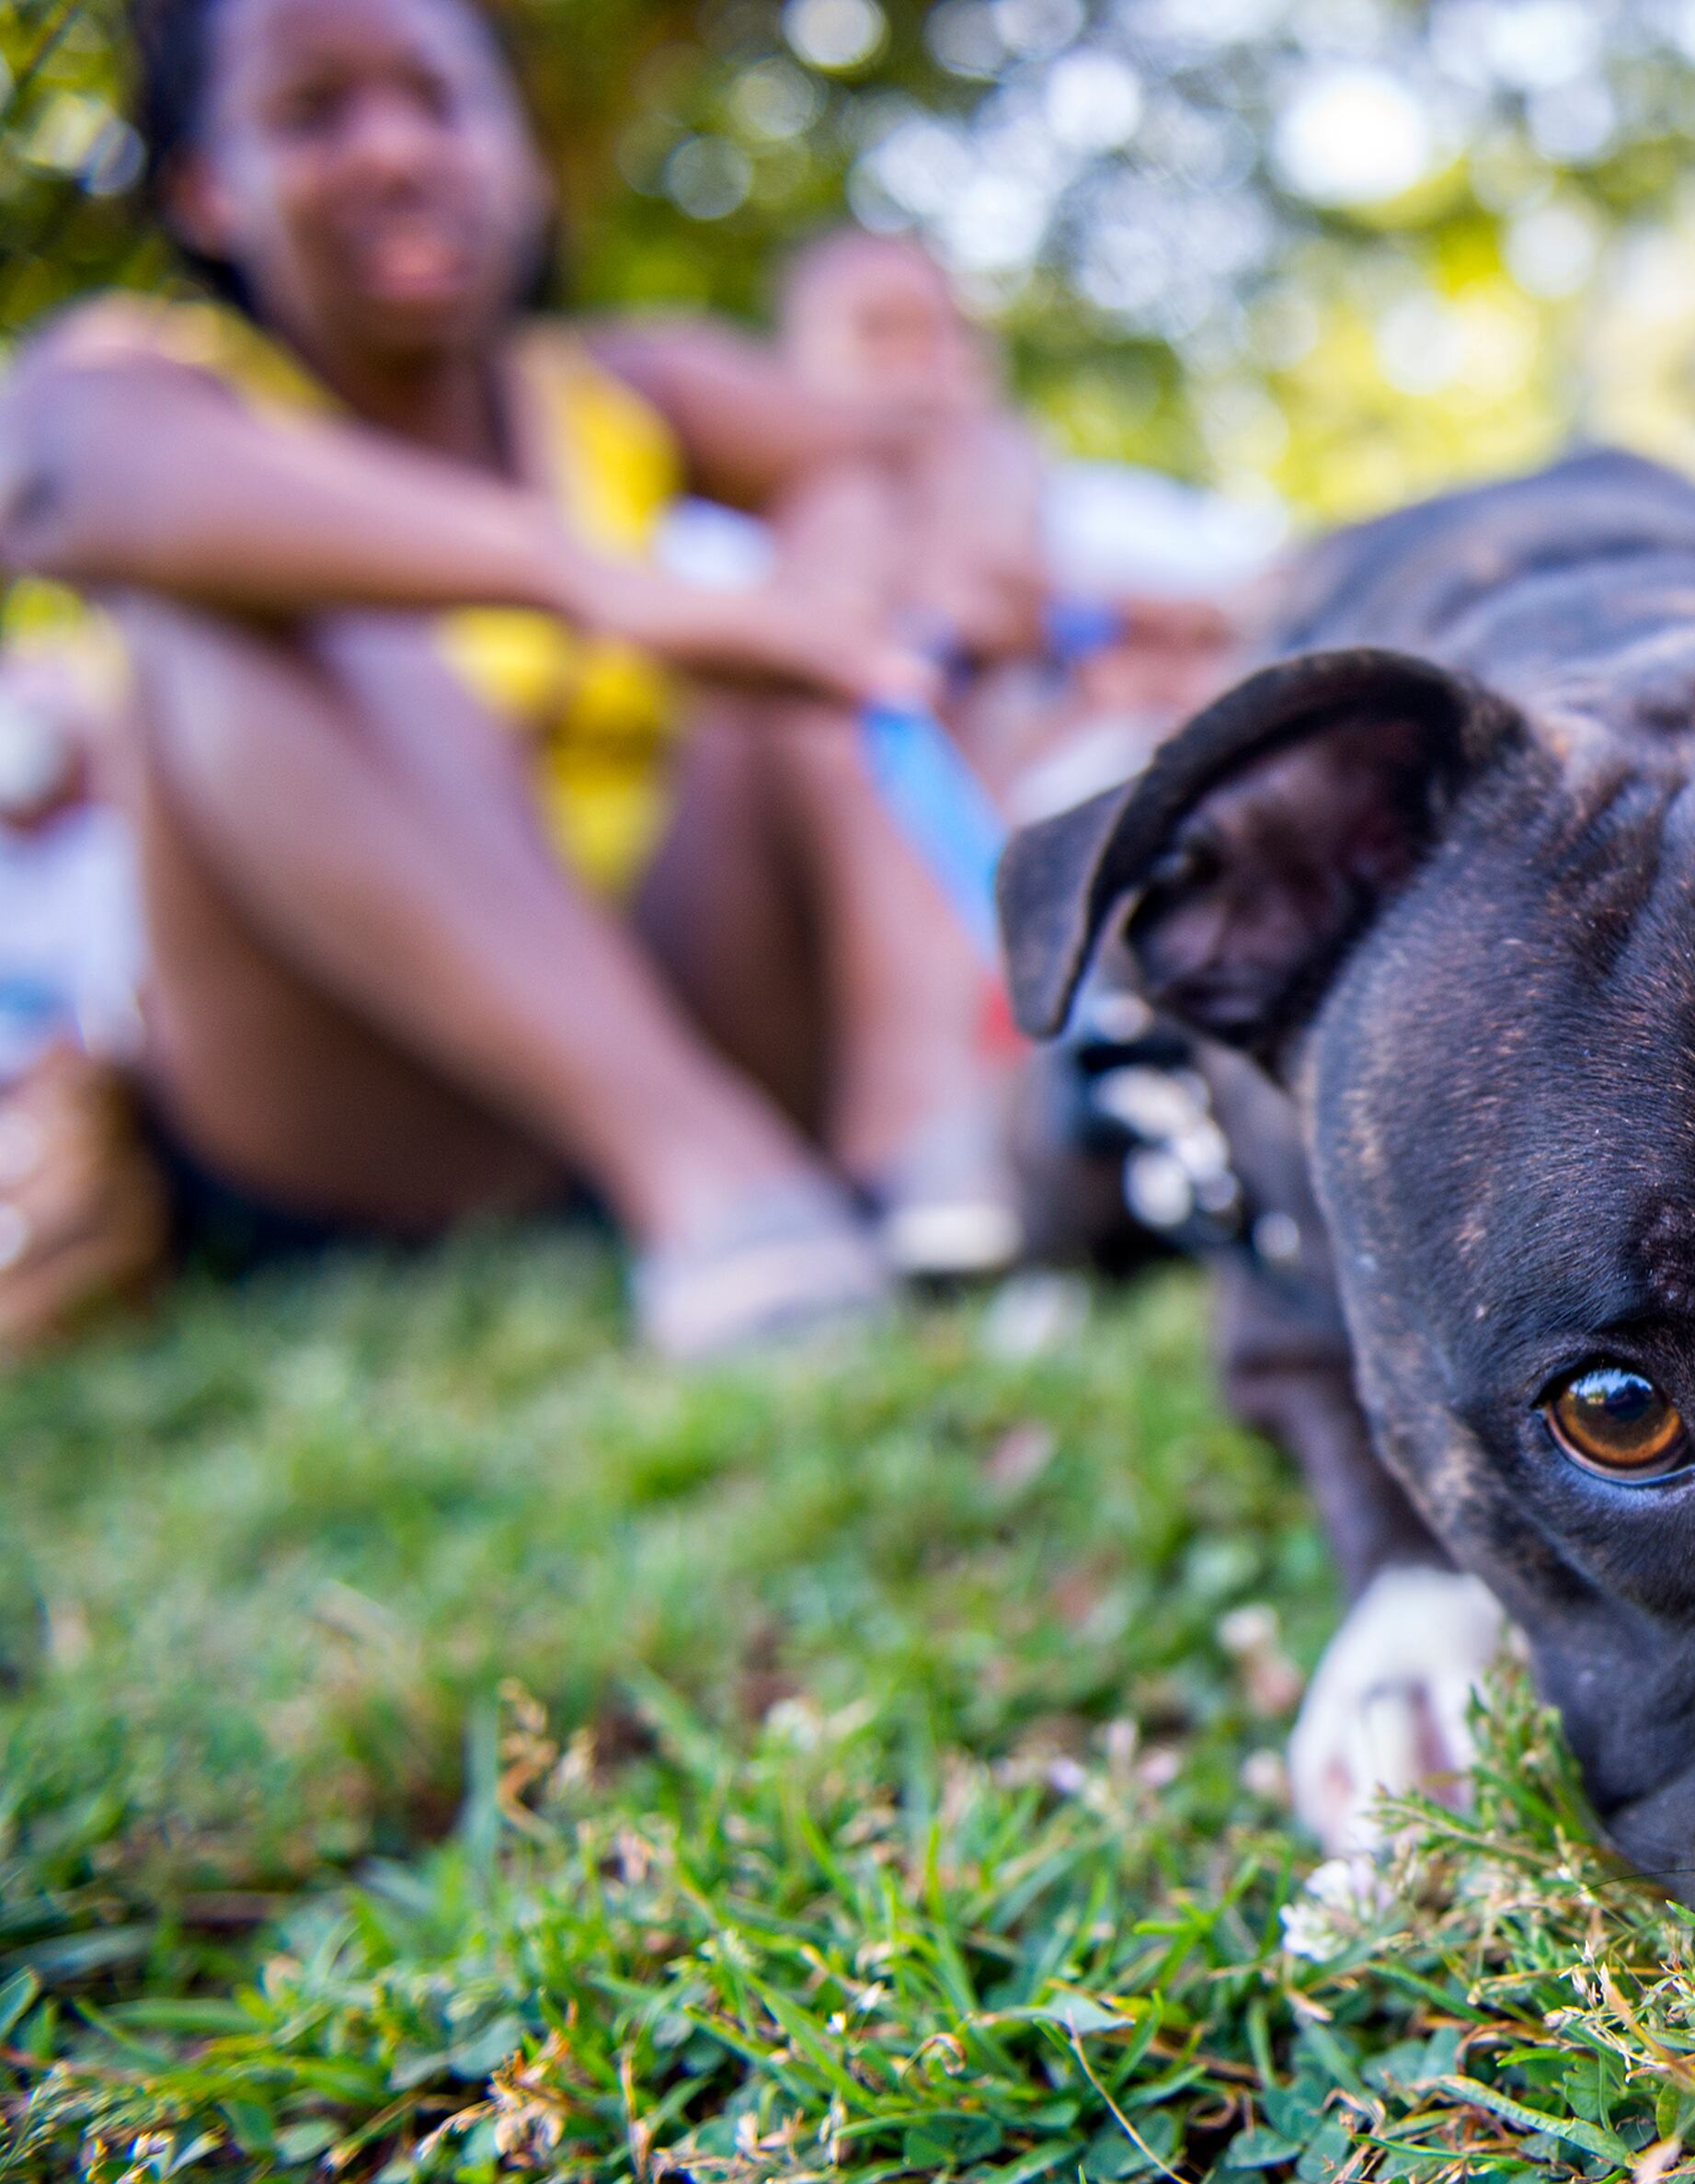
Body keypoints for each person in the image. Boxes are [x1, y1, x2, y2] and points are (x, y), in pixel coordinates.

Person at [0, 0, 1031, 1358]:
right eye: (312, 115)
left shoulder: (626, 385)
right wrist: (594, 581)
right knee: (239, 596)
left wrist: (862, 580)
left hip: (691, 975)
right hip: (350, 1102)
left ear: (522, 158)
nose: (394, 154)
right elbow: (56, 479)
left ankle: (927, 1123)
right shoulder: (160, 383)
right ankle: (699, 1173)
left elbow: (919, 449)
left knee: (808, 630)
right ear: (204, 186)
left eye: (440, 100)